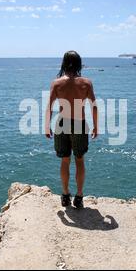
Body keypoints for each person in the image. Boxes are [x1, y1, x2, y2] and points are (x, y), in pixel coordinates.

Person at [45, 51, 98, 208]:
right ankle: (79, 196)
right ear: (79, 64)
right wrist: (96, 126)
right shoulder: (86, 83)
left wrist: (47, 125)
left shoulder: (57, 83)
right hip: (80, 124)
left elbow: (49, 106)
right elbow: (94, 106)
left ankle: (65, 194)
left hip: (62, 123)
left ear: (63, 63)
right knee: (79, 160)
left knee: (65, 160)